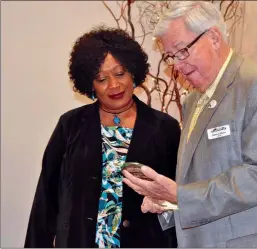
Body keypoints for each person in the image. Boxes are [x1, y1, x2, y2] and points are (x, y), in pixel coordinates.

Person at [122, 1, 257, 248]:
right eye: (171, 57)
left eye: (182, 51)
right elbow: (198, 179)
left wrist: (181, 197)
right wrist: (167, 202)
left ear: (214, 38)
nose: (176, 65)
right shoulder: (193, 100)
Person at [24, 26, 180, 248]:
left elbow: (177, 195)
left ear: (133, 73)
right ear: (90, 85)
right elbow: (46, 200)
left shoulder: (164, 128)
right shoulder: (70, 126)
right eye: (101, 78)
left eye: (120, 73)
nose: (114, 85)